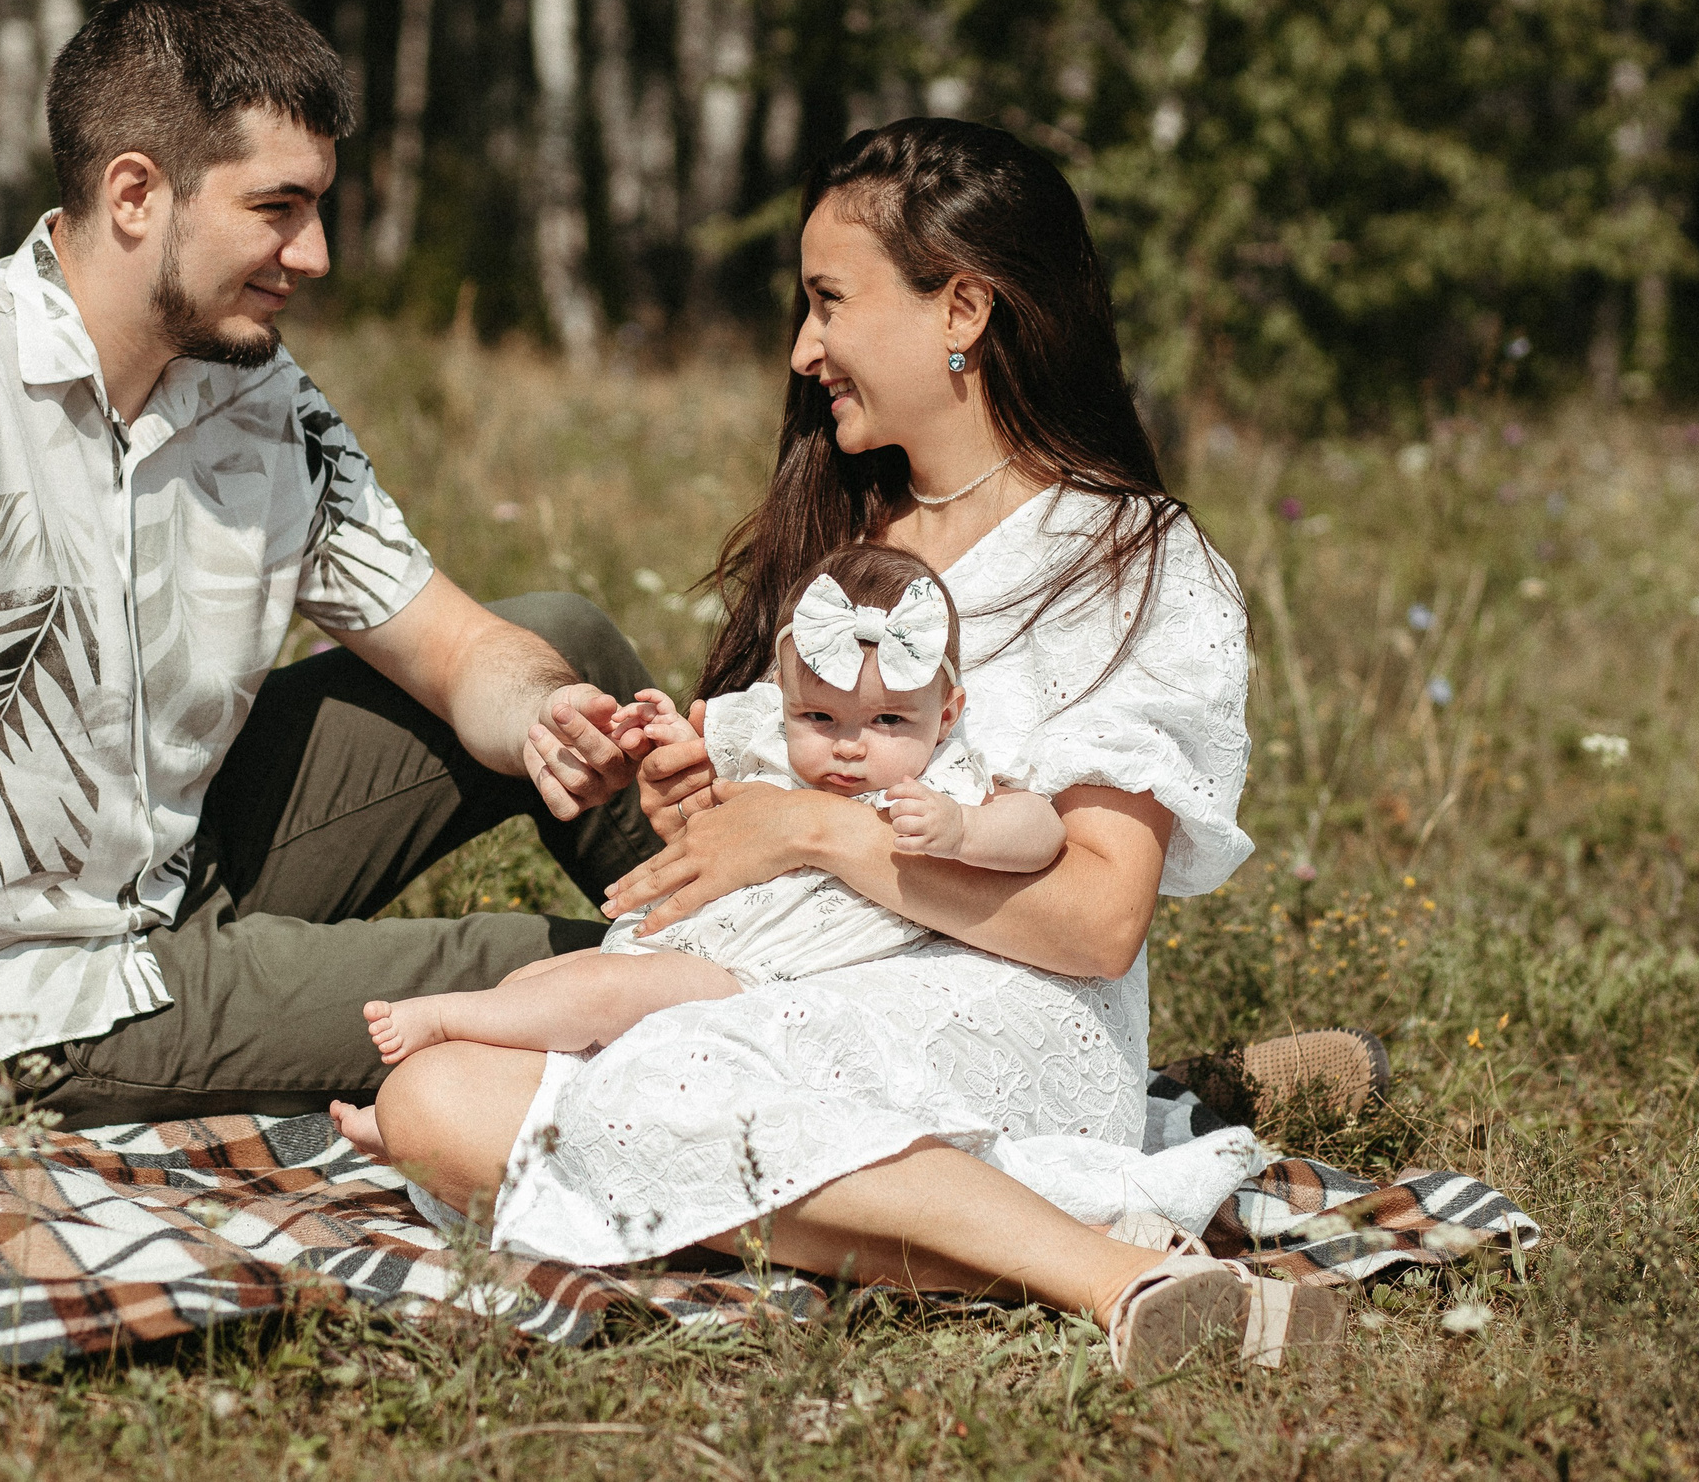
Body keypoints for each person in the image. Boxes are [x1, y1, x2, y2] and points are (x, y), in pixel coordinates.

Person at [366, 117, 1350, 1374]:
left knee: (565, 1102)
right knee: (434, 1101)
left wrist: (817, 832)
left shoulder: (1130, 561)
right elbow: (791, 813)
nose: (801, 349)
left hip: (1001, 1006)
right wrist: (704, 798)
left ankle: (1114, 1281)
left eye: (829, 302)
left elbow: (1098, 919)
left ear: (964, 310)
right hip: (771, 986)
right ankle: (1045, 1248)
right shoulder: (851, 533)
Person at [0, 0, 658, 1151]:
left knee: (566, 642)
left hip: (174, 866)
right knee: (535, 971)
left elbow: (458, 650)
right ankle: (774, 1017)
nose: (314, 255)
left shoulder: (256, 392)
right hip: (6, 1000)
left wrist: (546, 713)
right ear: (137, 193)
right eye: (279, 208)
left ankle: (794, 959)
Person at [337, 544, 1063, 1088]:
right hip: (690, 941)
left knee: (596, 994)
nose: (847, 743)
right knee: (545, 984)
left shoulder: (948, 777)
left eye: (886, 720)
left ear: (947, 715)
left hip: (761, 982)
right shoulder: (774, 737)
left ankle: (441, 1019)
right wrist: (668, 734)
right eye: (820, 714)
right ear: (783, 693)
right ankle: (429, 1085)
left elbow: (1044, 829)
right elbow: (705, 752)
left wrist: (965, 830)